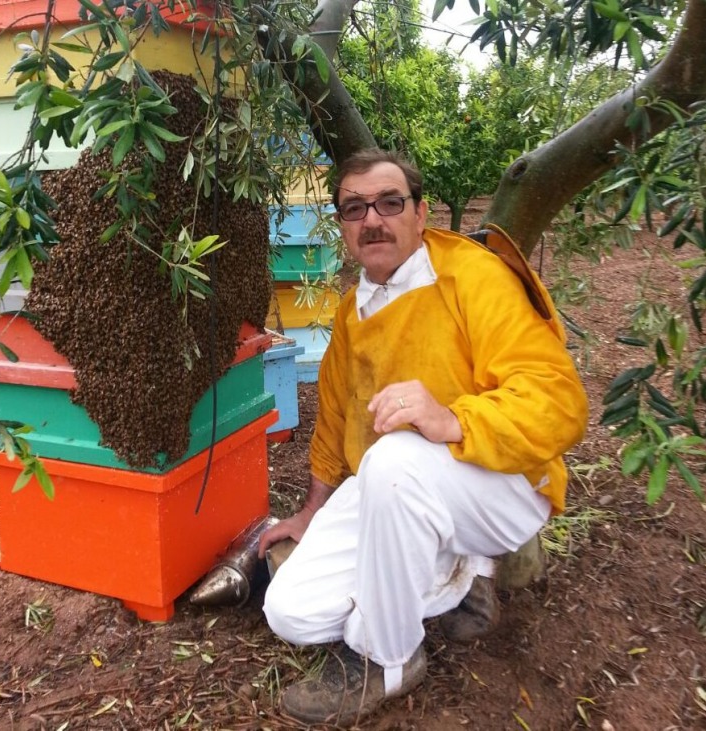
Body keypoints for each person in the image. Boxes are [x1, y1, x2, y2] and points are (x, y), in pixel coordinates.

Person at [258, 148, 588, 726]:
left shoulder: (474, 276)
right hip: (400, 489)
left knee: (393, 459)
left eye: (390, 202)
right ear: (342, 226)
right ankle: (456, 574)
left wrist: (454, 419)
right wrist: (311, 511)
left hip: (504, 484)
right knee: (290, 612)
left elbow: (559, 402)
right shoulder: (350, 309)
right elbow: (334, 418)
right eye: (354, 208)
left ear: (421, 211)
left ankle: (386, 658)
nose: (372, 219)